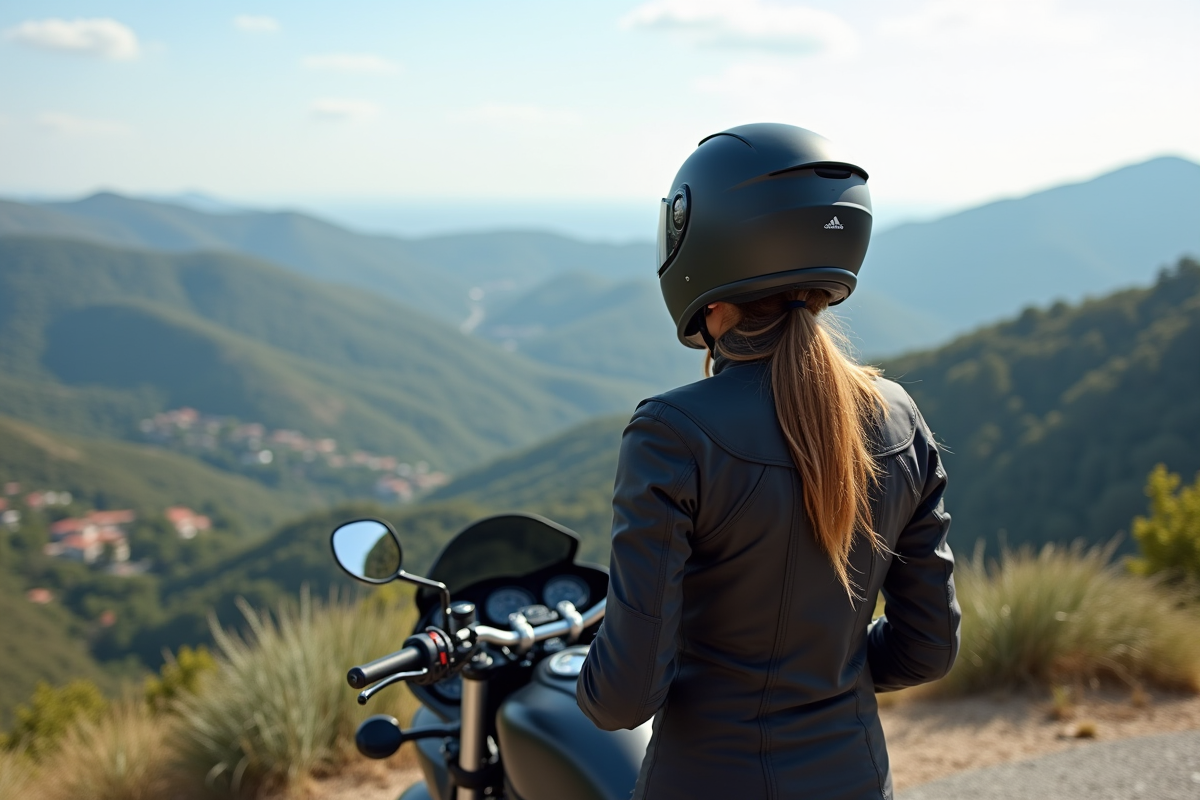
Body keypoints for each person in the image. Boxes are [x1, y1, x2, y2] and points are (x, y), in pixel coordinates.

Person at [576, 123, 961, 800]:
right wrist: (829, 673)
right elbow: (928, 648)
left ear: (699, 247)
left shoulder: (671, 433)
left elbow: (622, 699)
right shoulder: (899, 417)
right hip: (856, 780)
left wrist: (582, 671)